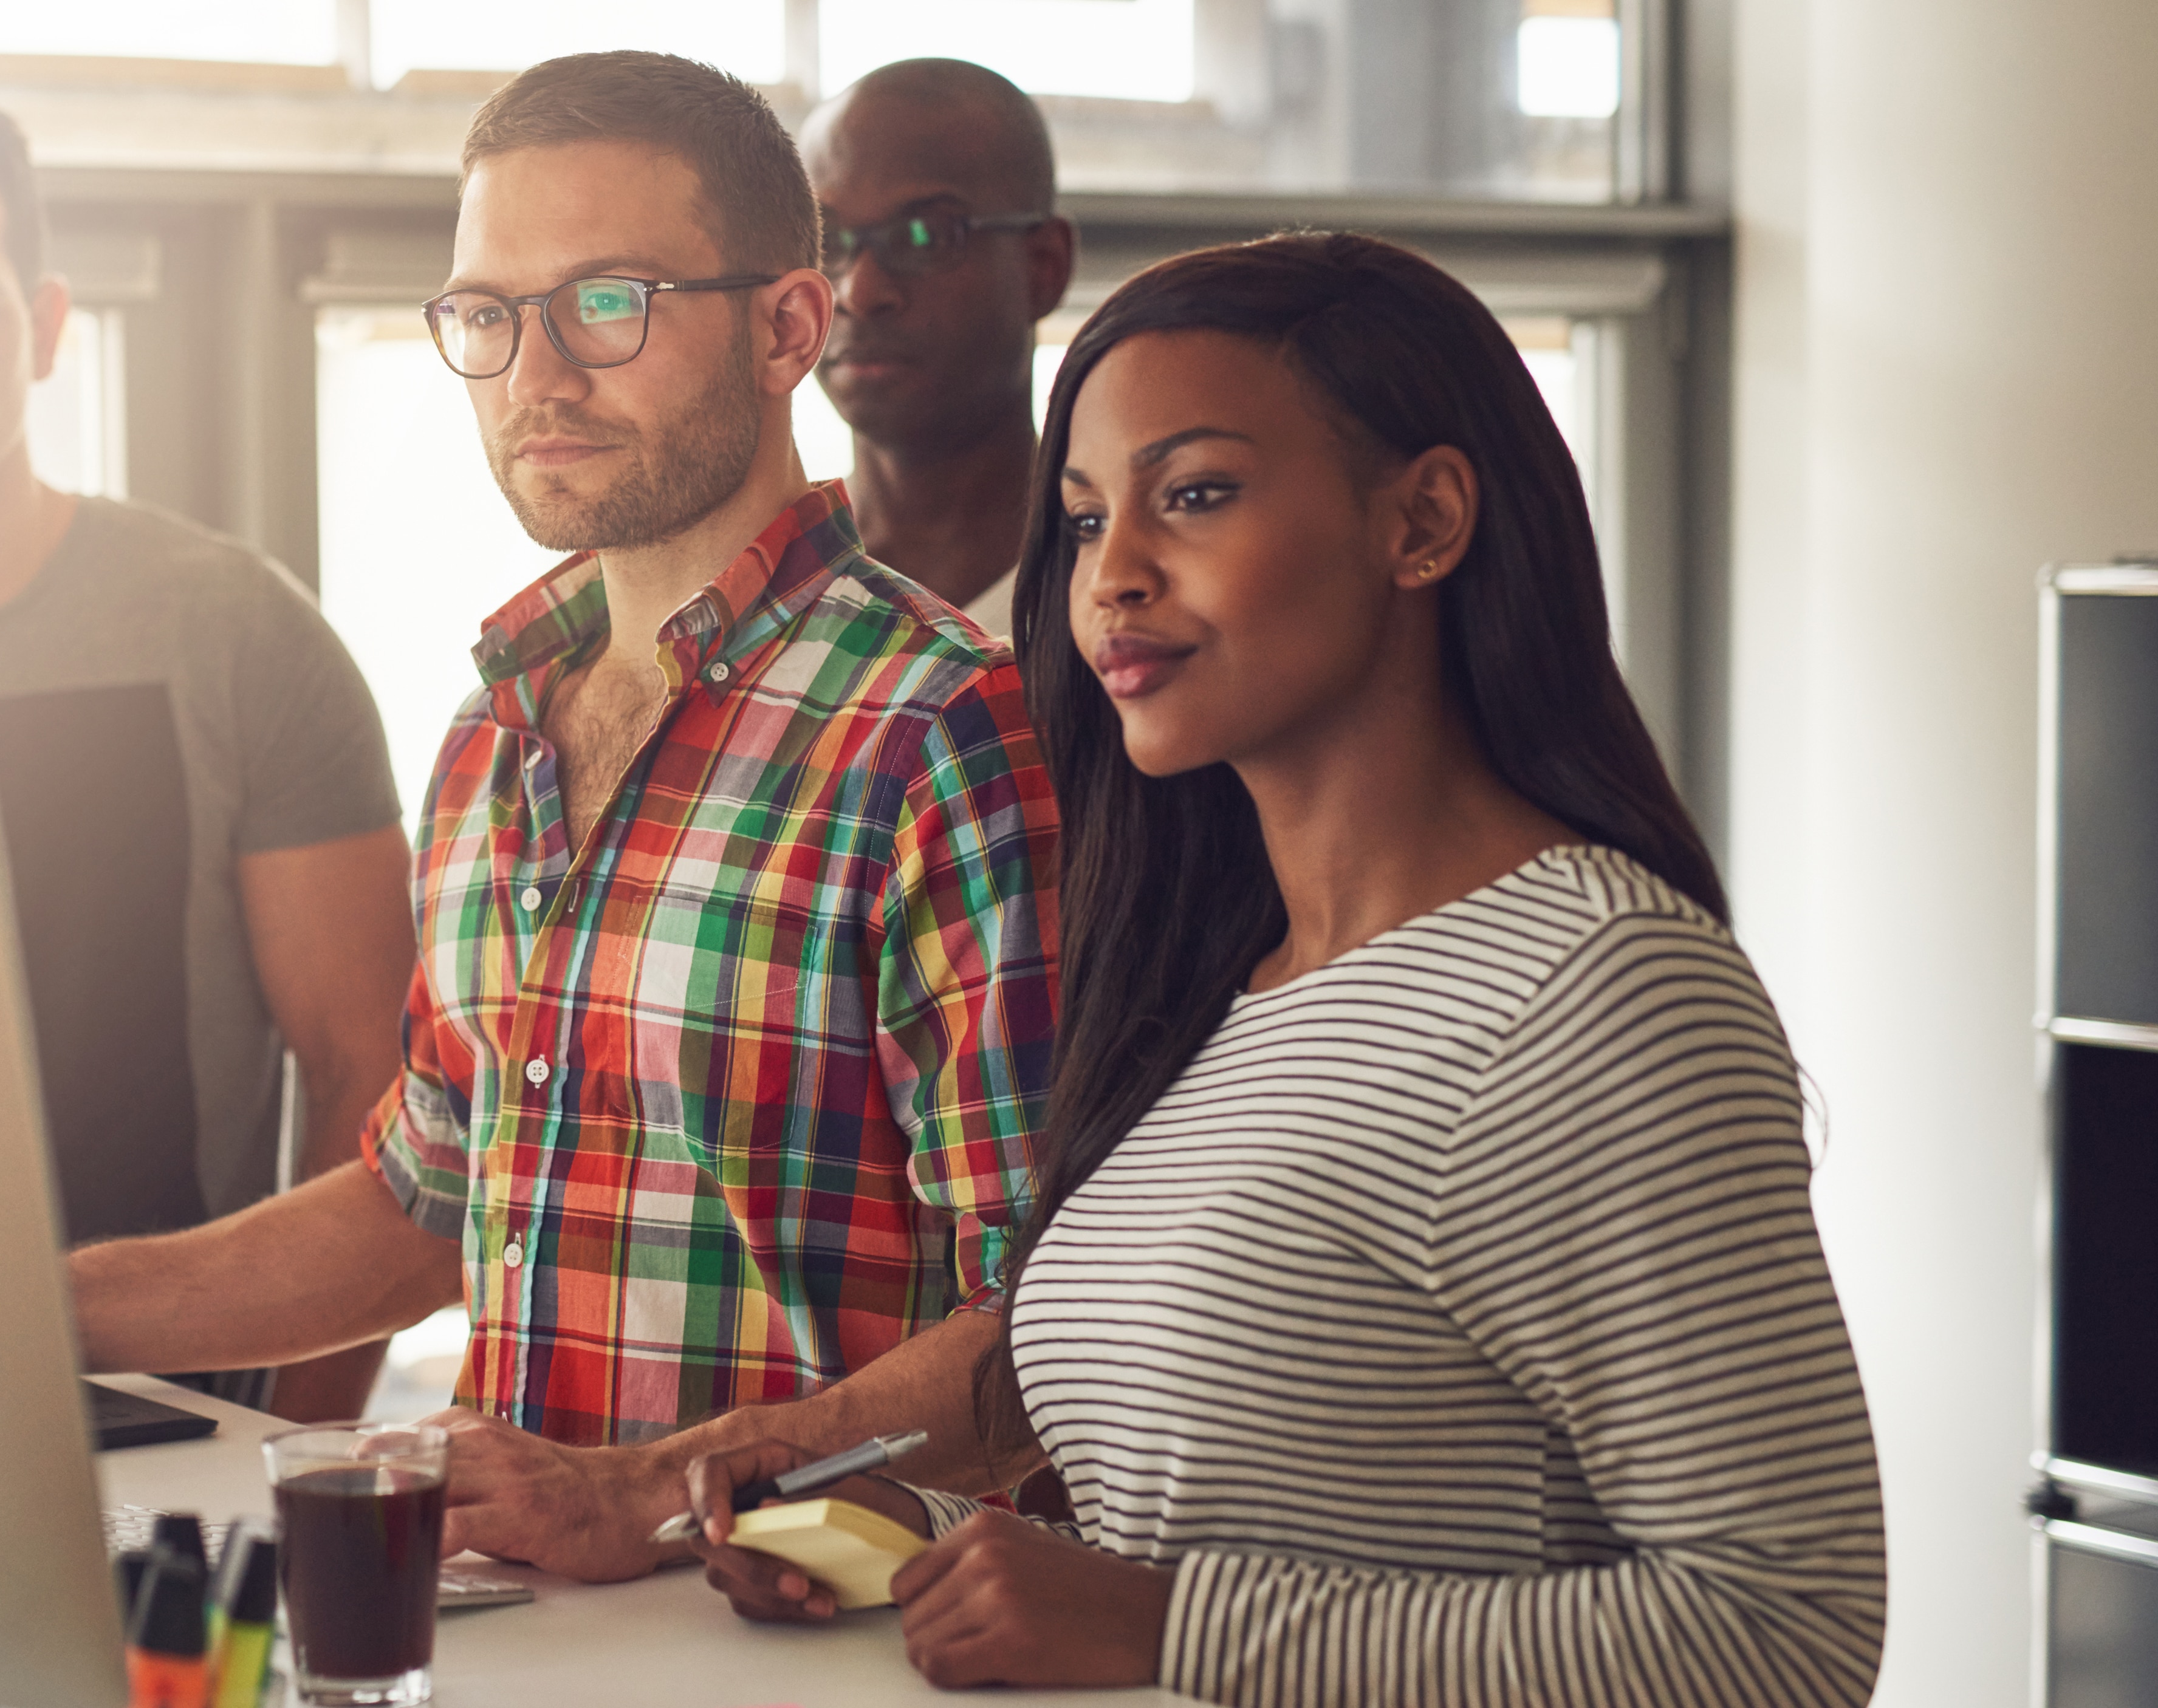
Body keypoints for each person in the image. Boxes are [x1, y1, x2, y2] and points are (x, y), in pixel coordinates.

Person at [683, 233, 1888, 1704]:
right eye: (1078, 521)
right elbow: (1199, 1548)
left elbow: (1789, 1628)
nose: (1110, 574)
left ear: (1423, 519)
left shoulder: (1598, 990)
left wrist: (1163, 1625)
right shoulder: (1214, 995)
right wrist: (899, 1544)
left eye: (1194, 494)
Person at [67, 50, 1057, 1580]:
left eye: (607, 302)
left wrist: (638, 1492)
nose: (537, 374)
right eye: (487, 313)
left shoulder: (939, 727)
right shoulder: (490, 734)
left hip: (795, 1653)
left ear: (789, 325)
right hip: (500, 1634)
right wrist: (37, 1303)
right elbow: (429, 1197)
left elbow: (1047, 1332)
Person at [0, 77, 415, 1423]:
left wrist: (290, 1449)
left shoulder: (233, 633)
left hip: (160, 1428)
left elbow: (377, 1087)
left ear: (44, 328)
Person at [801, 60, 1075, 634]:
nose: (861, 290)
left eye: (925, 235)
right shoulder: (768, 590)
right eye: (823, 241)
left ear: (1043, 268)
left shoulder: (1126, 584)